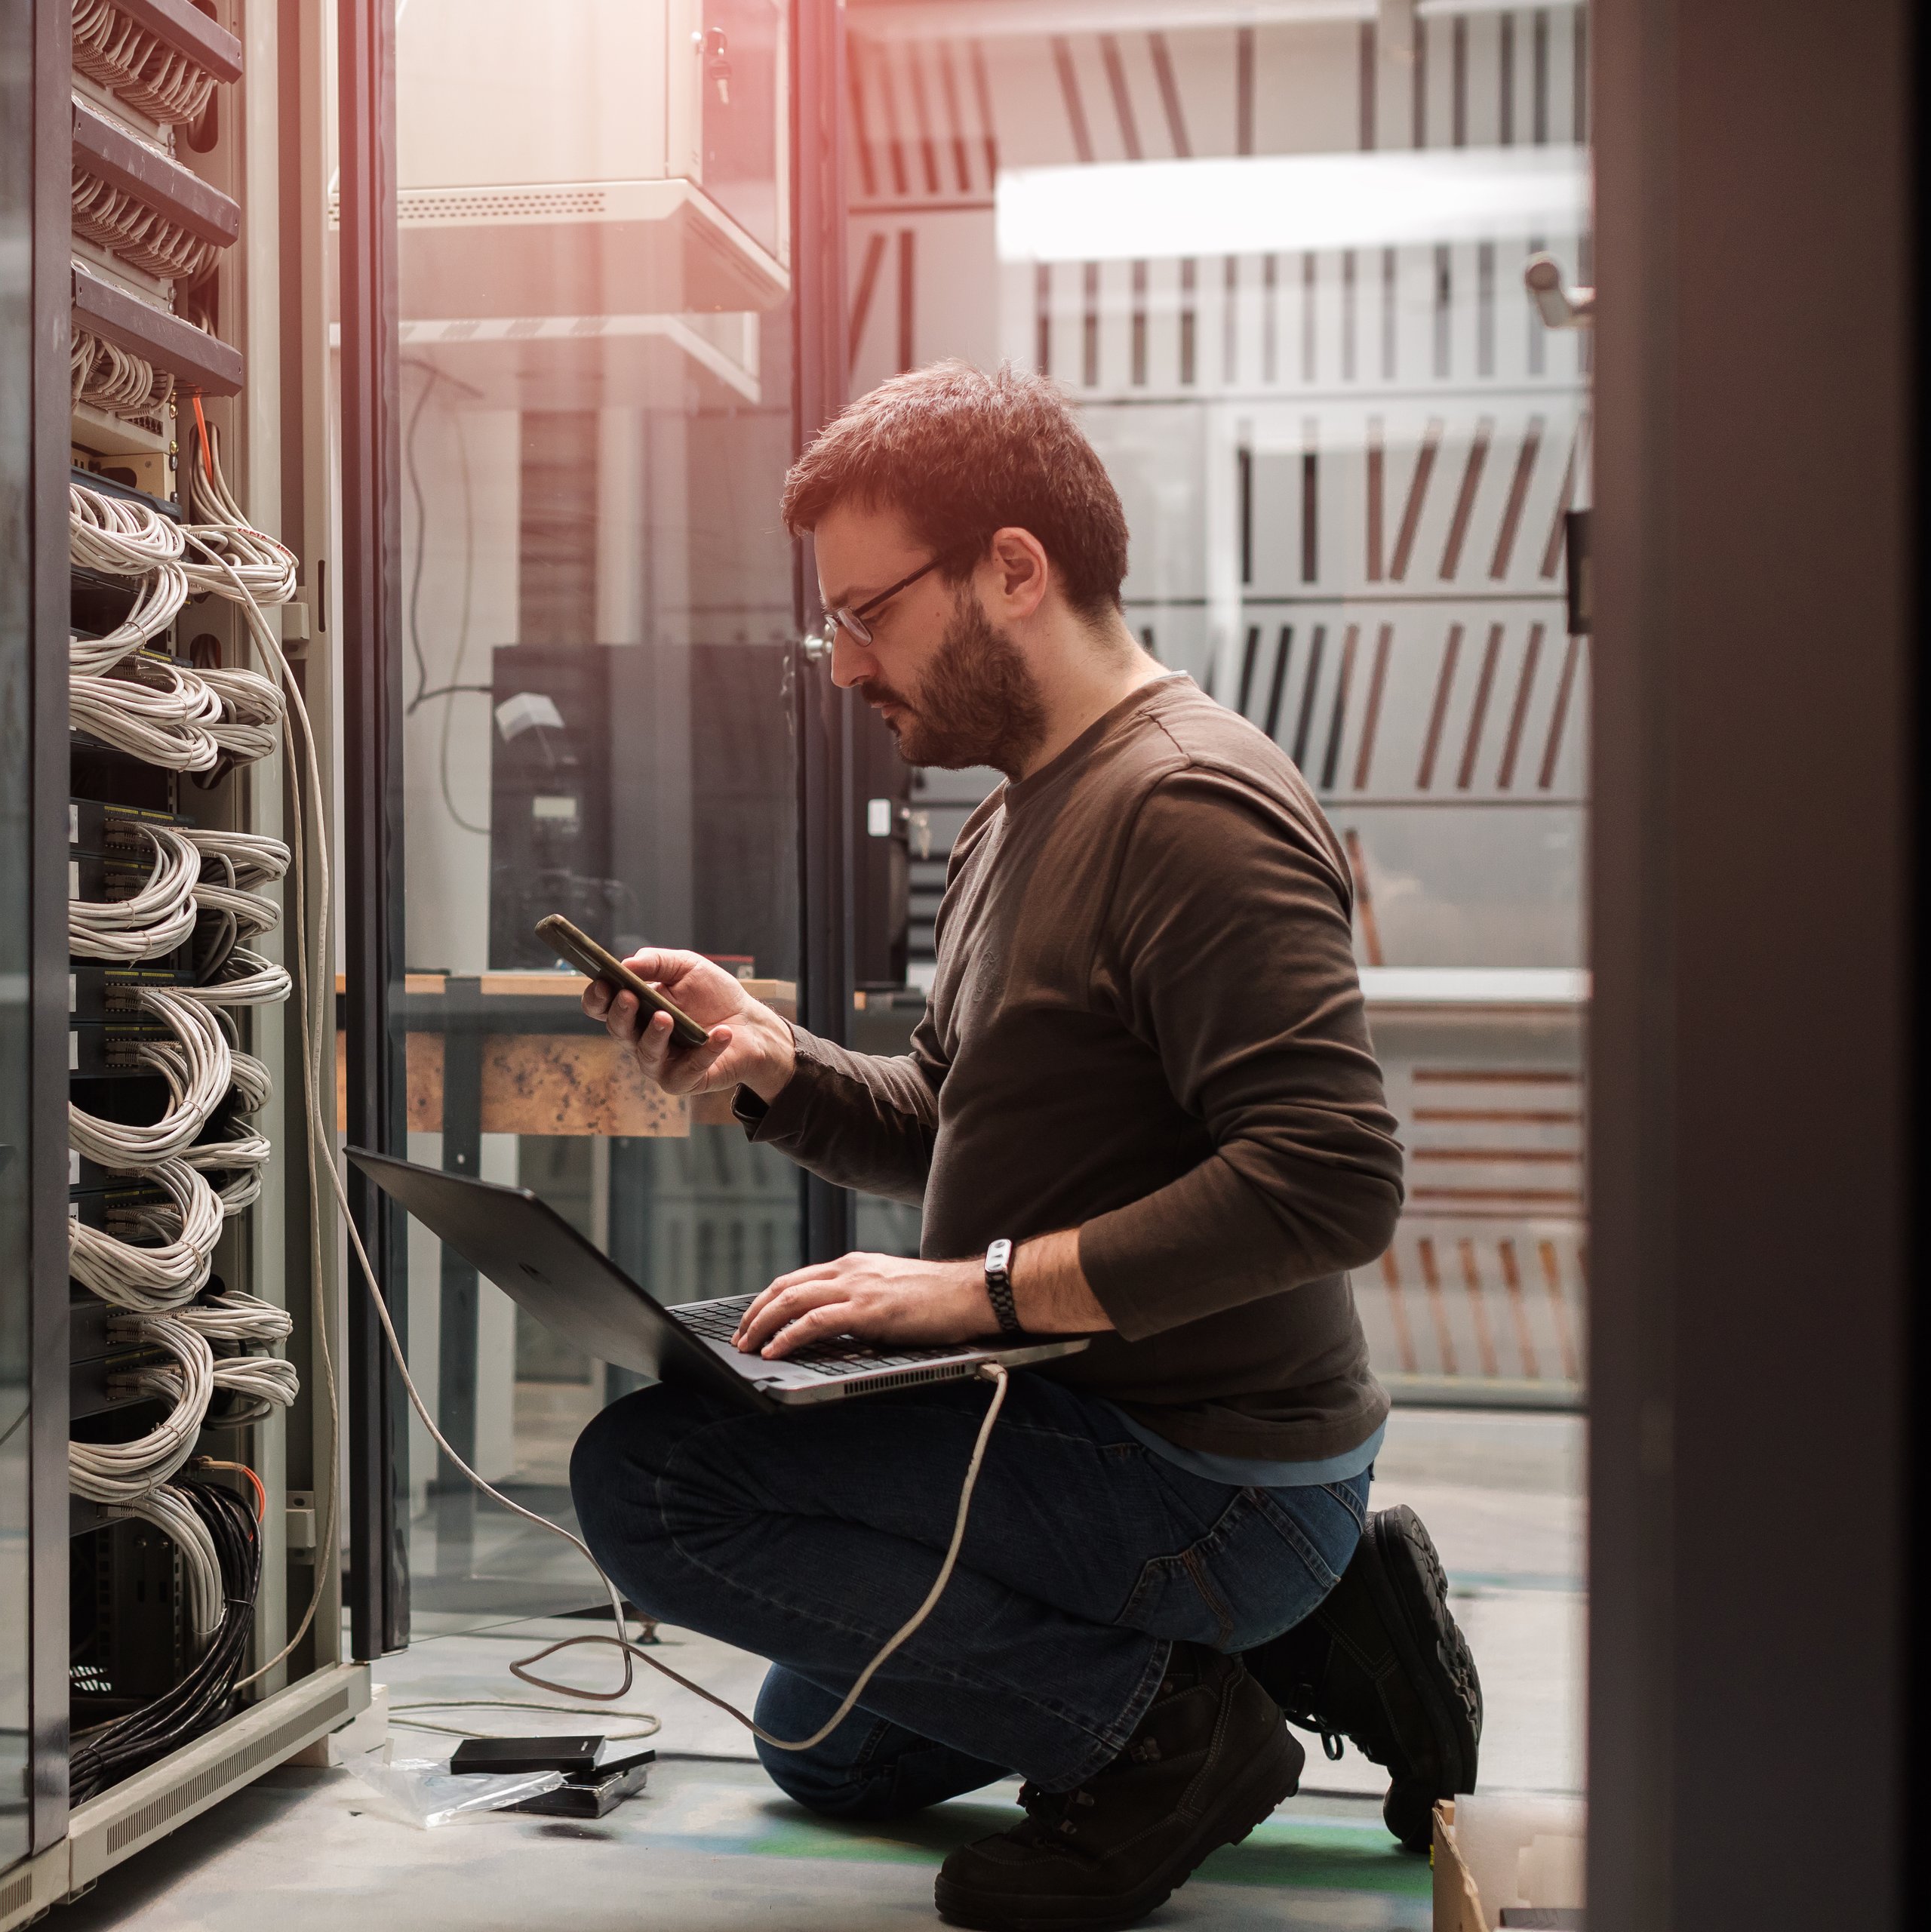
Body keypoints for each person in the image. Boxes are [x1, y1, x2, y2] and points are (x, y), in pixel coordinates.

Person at [566, 363, 1481, 1931]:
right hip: (1084, 1415)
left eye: (869, 612)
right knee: (818, 1746)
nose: (846, 664)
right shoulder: (1016, 810)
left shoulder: (1187, 802)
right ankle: (1303, 1637)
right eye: (831, 624)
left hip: (1205, 1468)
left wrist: (976, 1295)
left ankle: (1179, 1731)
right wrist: (773, 1068)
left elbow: (1333, 1175)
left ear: (1012, 564)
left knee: (656, 1482)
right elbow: (953, 1113)